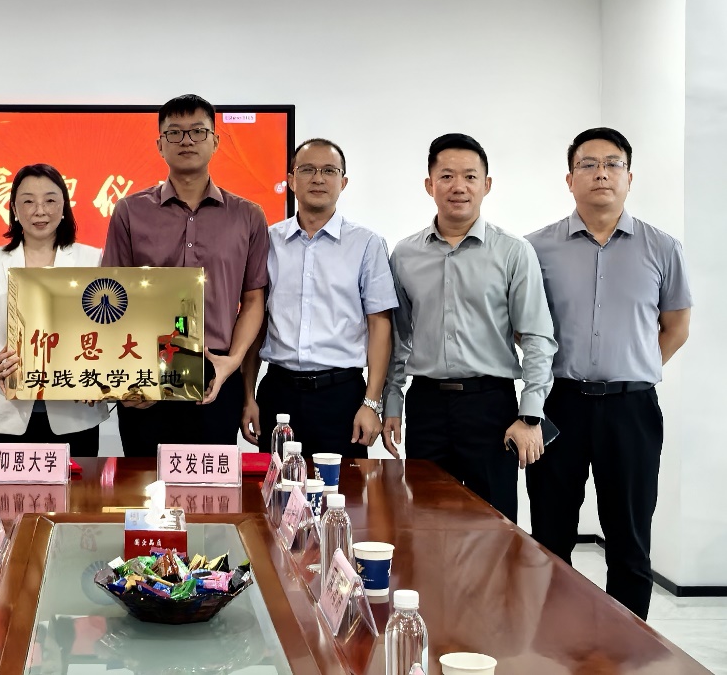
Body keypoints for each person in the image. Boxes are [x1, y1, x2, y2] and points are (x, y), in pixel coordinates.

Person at [526, 127, 691, 619]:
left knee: (630, 540)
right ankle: (552, 645)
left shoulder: (663, 248)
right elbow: (524, 328)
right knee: (550, 537)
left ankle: (626, 650)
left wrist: (633, 368)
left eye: (613, 164)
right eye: (588, 164)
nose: (601, 173)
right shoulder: (536, 249)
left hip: (631, 409)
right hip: (559, 406)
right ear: (569, 179)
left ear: (629, 177)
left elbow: (676, 327)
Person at [381, 133, 557, 522]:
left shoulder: (513, 251)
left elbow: (537, 339)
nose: (458, 186)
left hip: (490, 406)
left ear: (486, 184)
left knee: (493, 526)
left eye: (470, 176)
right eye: (446, 176)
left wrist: (530, 415)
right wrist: (392, 402)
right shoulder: (405, 254)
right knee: (425, 522)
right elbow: (398, 337)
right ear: (429, 185)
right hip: (426, 405)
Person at [101, 94, 269, 456]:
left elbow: (254, 298)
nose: (187, 140)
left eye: (198, 131)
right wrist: (128, 374)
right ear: (160, 144)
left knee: (209, 484)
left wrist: (232, 362)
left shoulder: (248, 216)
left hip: (215, 370)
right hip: (145, 368)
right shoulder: (129, 211)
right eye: (175, 133)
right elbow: (112, 297)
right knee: (144, 483)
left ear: (215, 141)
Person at [243, 138, 397, 457]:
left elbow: (380, 325)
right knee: (275, 486)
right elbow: (255, 321)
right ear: (291, 180)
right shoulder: (268, 242)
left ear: (343, 182)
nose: (318, 178)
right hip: (278, 393)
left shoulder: (366, 244)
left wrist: (372, 403)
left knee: (341, 487)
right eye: (307, 170)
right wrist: (248, 398)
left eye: (329, 170)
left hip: (341, 396)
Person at [0, 163, 109, 454]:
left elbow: (108, 329)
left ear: (64, 206)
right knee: (8, 486)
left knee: (76, 485)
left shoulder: (92, 259)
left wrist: (101, 375)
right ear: (14, 209)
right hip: (6, 410)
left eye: (50, 200)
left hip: (74, 413)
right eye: (28, 202)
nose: (40, 211)